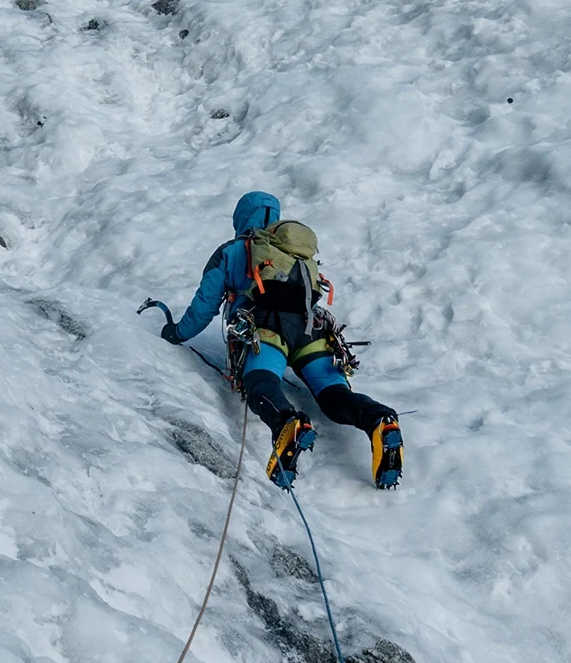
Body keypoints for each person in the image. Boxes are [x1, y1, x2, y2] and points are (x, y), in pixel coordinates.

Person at [161, 191, 404, 489]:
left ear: (239, 217)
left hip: (265, 330)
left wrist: (176, 333)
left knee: (261, 382)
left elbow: (204, 306)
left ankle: (286, 422)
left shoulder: (233, 251)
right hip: (312, 329)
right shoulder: (295, 251)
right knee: (332, 394)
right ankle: (379, 419)